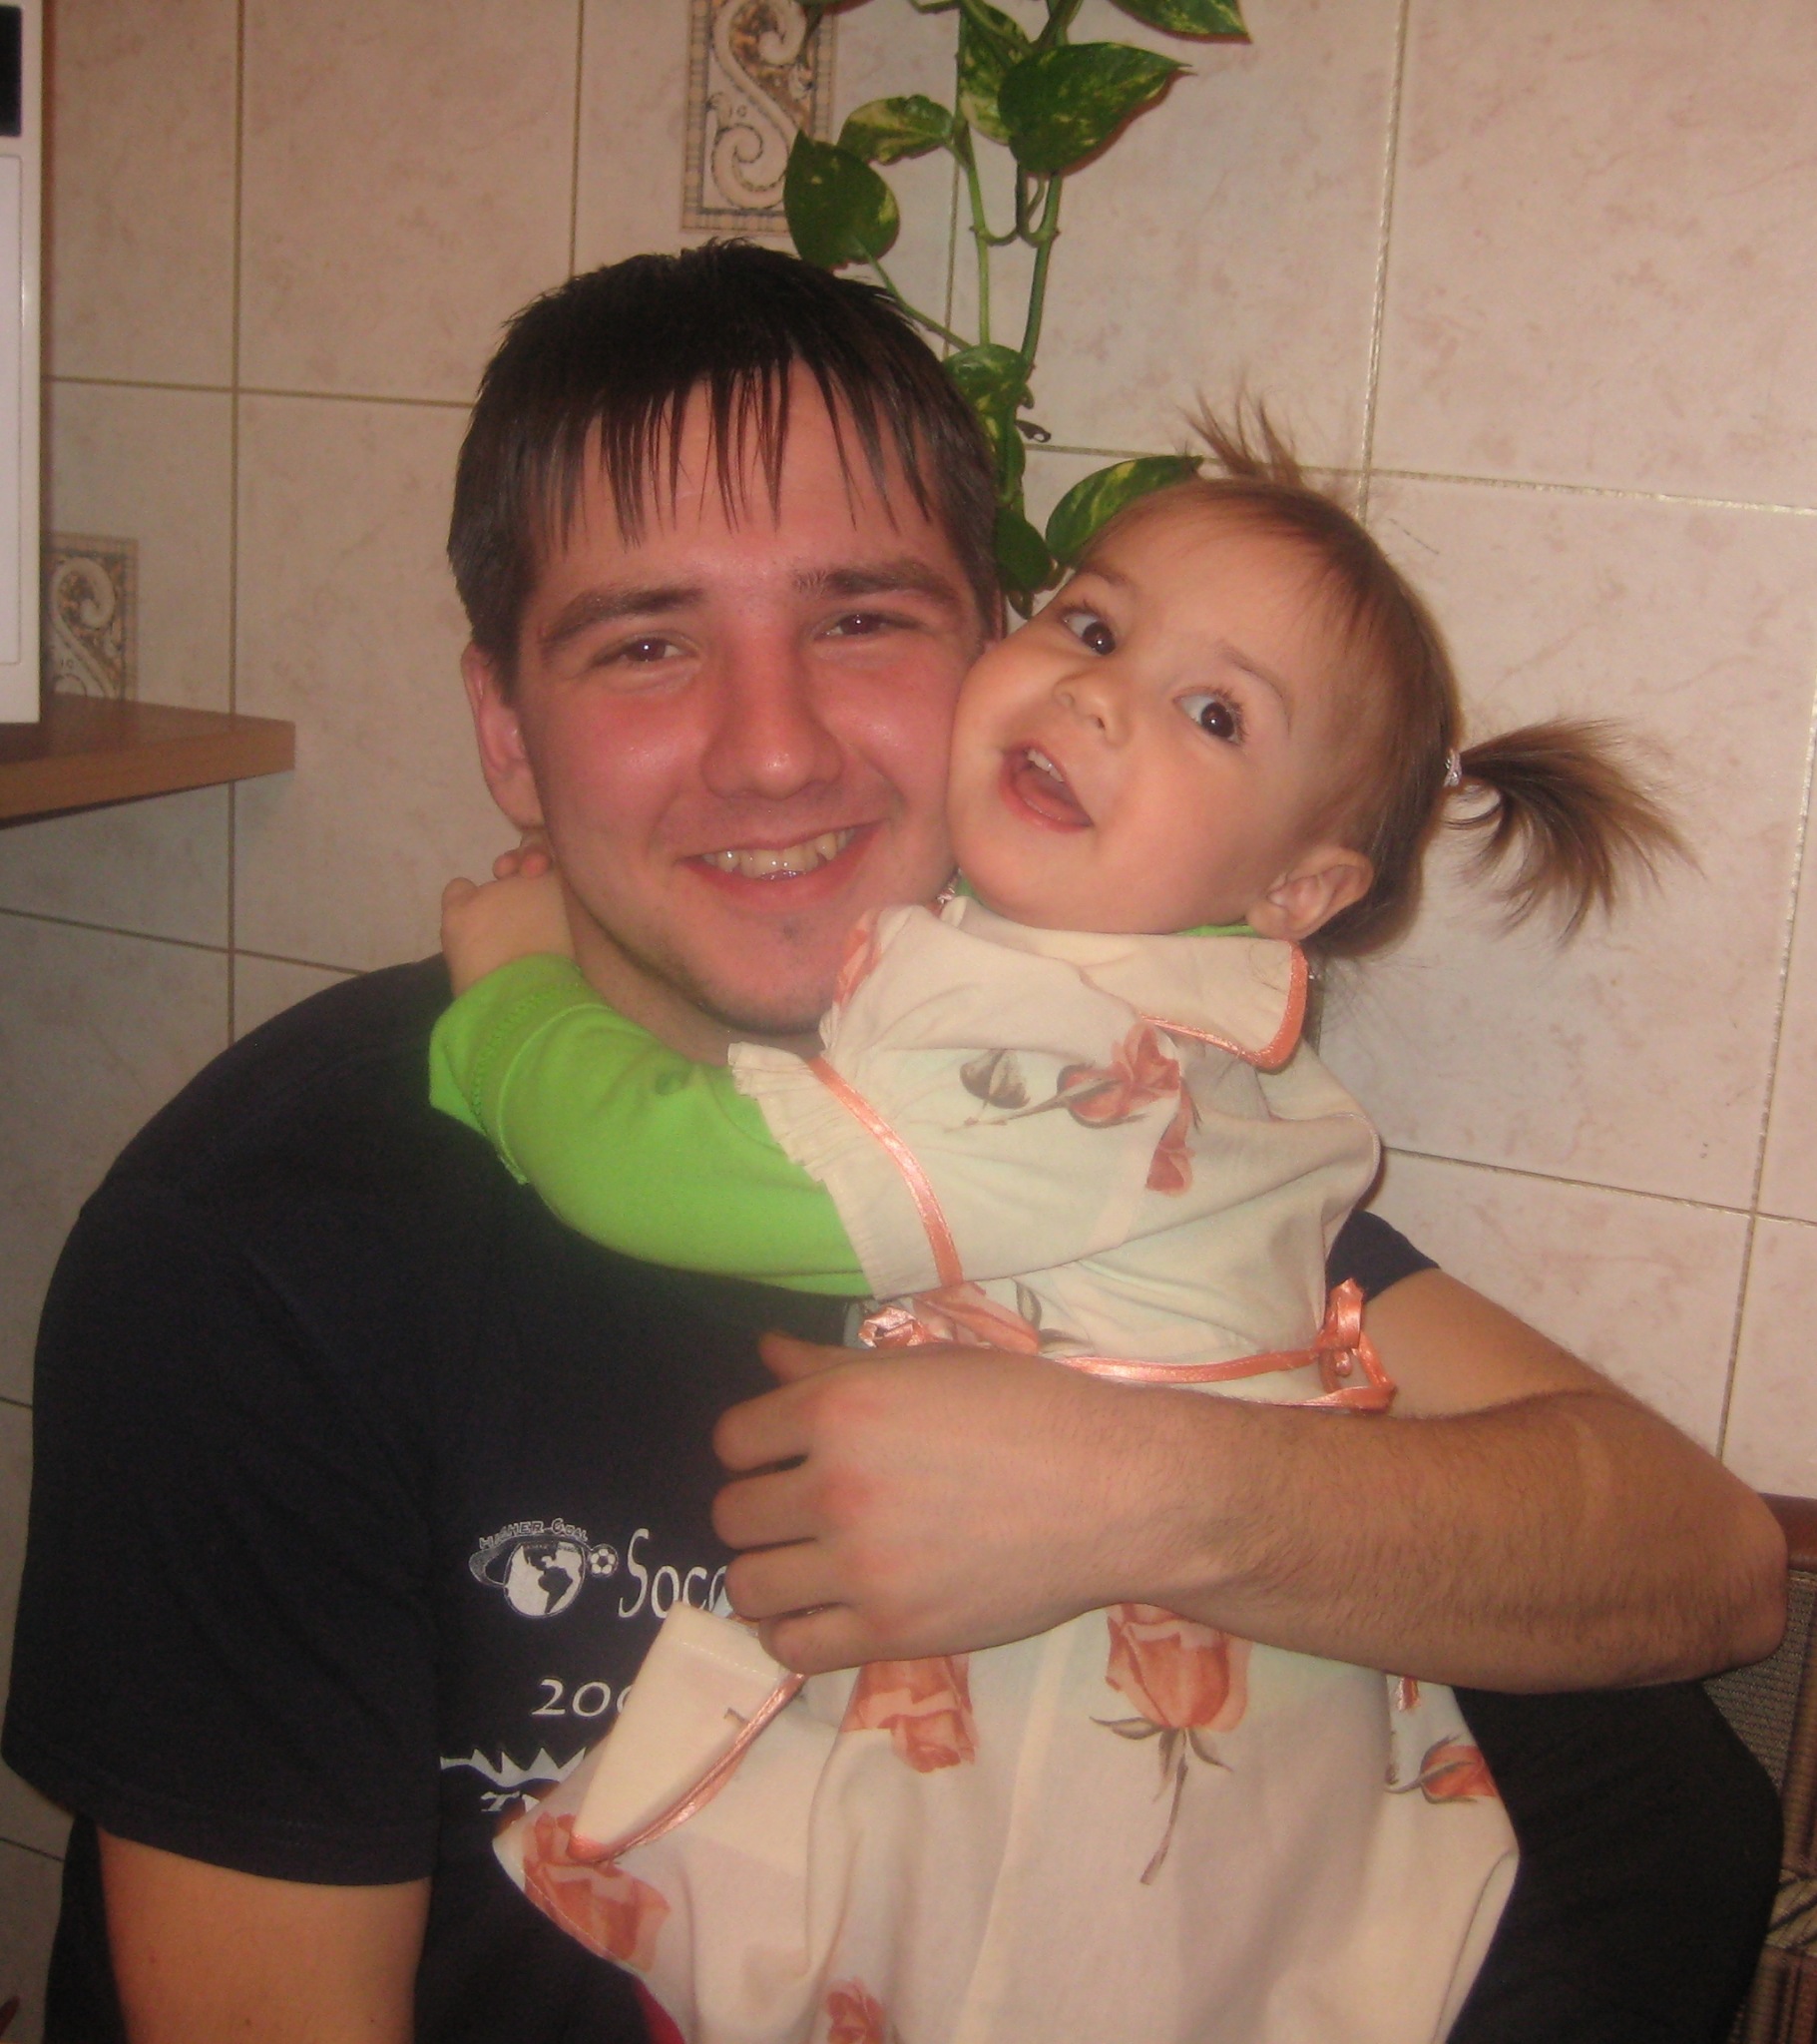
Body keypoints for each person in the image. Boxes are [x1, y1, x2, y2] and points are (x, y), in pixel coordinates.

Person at [1, 244, 1782, 2044]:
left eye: (859, 622)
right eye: (645, 645)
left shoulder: (1089, 1090)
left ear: (982, 647)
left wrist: (1130, 1493)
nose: (773, 753)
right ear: (508, 737)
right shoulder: (259, 1246)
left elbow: (1699, 1564)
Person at [423, 423, 1683, 2044]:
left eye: (1212, 715)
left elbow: (669, 1175)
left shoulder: (1083, 1048)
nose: (1099, 698)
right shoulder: (1128, 1021)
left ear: (1294, 893)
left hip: (1079, 1798)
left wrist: (512, 993)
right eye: (1092, 626)